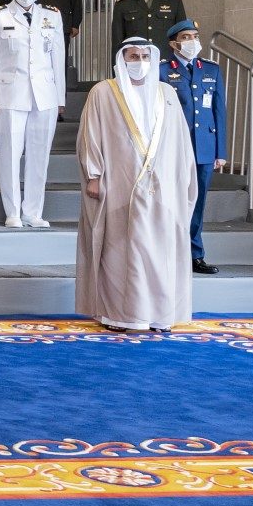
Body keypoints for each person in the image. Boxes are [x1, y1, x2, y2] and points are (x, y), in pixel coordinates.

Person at [76, 38, 198, 333]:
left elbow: (180, 142)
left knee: (160, 250)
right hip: (118, 181)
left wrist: (183, 179)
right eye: (133, 55)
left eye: (145, 55)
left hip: (162, 185)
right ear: (123, 58)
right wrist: (94, 175)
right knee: (120, 249)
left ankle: (159, 315)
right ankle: (119, 316)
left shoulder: (166, 92)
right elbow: (90, 135)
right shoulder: (103, 93)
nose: (140, 60)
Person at [0, 0, 67, 228]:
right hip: (10, 93)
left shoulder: (51, 16)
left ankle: (33, 212)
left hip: (45, 95)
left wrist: (60, 96)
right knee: (10, 154)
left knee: (39, 155)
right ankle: (13, 212)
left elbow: (58, 57)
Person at [162, 20, 227, 274]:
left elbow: (219, 111)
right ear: (173, 43)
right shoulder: (163, 71)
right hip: (174, 147)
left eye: (195, 36)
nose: (192, 41)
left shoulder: (211, 69)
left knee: (197, 202)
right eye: (186, 37)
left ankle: (194, 254)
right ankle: (169, 251)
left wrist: (220, 151)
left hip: (204, 147)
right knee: (172, 200)